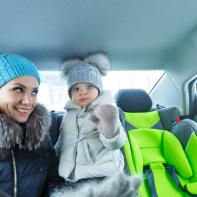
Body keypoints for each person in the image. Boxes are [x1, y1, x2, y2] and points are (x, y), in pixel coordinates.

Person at [55, 52, 127, 188]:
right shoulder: (68, 115)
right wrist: (53, 153)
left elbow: (116, 143)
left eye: (88, 87)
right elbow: (62, 141)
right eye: (76, 89)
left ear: (99, 89)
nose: (82, 92)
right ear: (70, 94)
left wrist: (109, 128)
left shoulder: (106, 110)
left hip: (101, 175)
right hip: (72, 176)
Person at [0, 54, 58, 197]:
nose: (28, 101)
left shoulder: (41, 136)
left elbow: (54, 185)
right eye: (18, 89)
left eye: (34, 92)